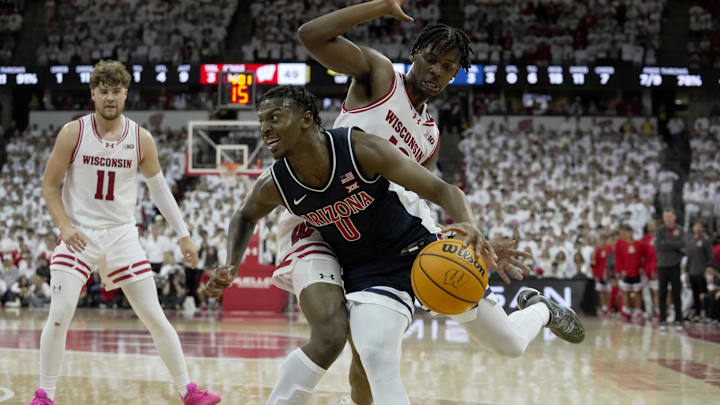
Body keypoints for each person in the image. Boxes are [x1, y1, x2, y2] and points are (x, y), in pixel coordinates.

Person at [264, 2, 582, 405]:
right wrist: (379, 5)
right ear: (415, 54)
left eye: (448, 67)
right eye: (432, 60)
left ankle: (539, 310)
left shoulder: (430, 135)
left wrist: (468, 233)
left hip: (405, 238)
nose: (437, 72)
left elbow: (420, 195)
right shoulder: (380, 78)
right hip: (345, 238)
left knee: (508, 345)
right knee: (366, 353)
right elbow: (310, 35)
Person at [206, 86, 585, 405]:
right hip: (371, 277)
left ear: (306, 118)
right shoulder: (276, 183)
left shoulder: (360, 150)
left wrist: (468, 224)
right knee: (375, 357)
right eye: (261, 121)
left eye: (275, 118)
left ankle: (539, 309)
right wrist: (231, 263)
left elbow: (442, 189)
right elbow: (244, 216)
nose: (265, 129)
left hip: (424, 253)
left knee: (510, 345)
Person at [30, 60, 221, 405]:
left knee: (154, 315)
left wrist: (184, 233)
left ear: (125, 94)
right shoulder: (73, 133)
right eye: (103, 91)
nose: (110, 97)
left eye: (116, 91)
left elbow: (161, 191)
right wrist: (65, 226)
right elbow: (48, 185)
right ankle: (45, 394)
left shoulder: (141, 138)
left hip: (121, 235)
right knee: (59, 315)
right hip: (80, 235)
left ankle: (188, 390)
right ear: (93, 94)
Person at [655, 209, 685, 331]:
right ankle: (662, 320)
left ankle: (678, 320)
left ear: (674, 217)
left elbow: (682, 244)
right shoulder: (659, 230)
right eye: (665, 217)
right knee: (662, 294)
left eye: (669, 217)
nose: (667, 219)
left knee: (676, 293)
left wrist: (667, 243)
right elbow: (658, 246)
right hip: (662, 266)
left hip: (675, 265)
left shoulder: (680, 229)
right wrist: (673, 244)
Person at [685, 221, 715, 321]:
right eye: (695, 226)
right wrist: (687, 272)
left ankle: (705, 313)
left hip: (701, 272)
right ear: (693, 228)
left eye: (699, 227)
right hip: (692, 271)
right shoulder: (690, 241)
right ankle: (697, 313)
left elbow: (710, 257)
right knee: (695, 294)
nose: (697, 229)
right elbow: (688, 258)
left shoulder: (706, 241)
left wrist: (708, 268)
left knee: (703, 294)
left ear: (703, 229)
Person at [616, 224, 646, 321]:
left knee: (637, 292)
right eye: (626, 232)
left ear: (633, 232)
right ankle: (626, 310)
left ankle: (637, 311)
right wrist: (620, 270)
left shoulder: (639, 244)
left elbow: (643, 257)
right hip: (626, 272)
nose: (628, 234)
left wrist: (642, 268)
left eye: (630, 232)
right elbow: (619, 259)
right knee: (626, 292)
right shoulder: (622, 245)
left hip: (636, 272)